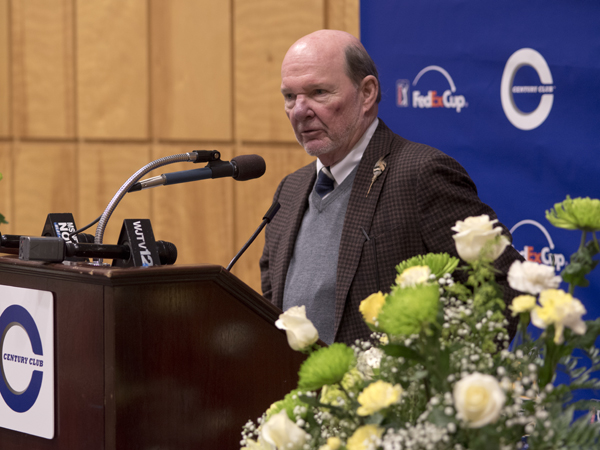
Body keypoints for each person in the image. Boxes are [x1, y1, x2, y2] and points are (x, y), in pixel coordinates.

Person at [260, 29, 522, 345]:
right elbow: (273, 306)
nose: (299, 111)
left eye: (318, 92)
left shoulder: (421, 174)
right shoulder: (289, 192)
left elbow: (504, 283)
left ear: (367, 92)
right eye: (290, 96)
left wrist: (438, 376)